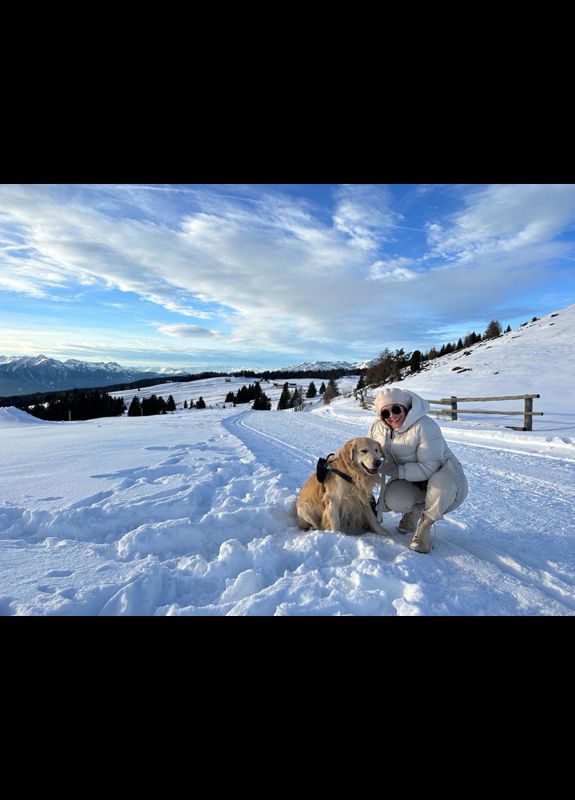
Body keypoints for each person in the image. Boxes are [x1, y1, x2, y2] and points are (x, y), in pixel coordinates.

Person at [368, 387, 468, 554]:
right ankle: (413, 512)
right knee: (394, 498)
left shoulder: (425, 426)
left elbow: (429, 467)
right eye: (385, 413)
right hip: (412, 479)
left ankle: (425, 527)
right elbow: (369, 452)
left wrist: (394, 470)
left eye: (396, 409)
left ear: (405, 407)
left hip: (446, 478)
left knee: (439, 484)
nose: (391, 416)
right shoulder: (378, 428)